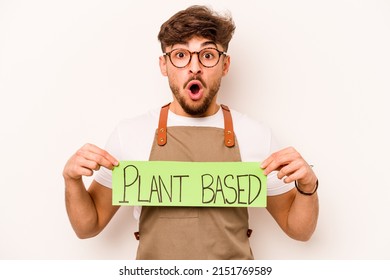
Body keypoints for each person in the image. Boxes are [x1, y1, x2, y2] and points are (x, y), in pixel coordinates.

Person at [63, 5, 319, 260]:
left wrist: (308, 186)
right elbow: (88, 226)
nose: (194, 67)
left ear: (225, 65)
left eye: (207, 55)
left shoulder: (255, 134)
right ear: (164, 65)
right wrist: (72, 180)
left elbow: (299, 230)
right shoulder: (130, 134)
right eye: (181, 55)